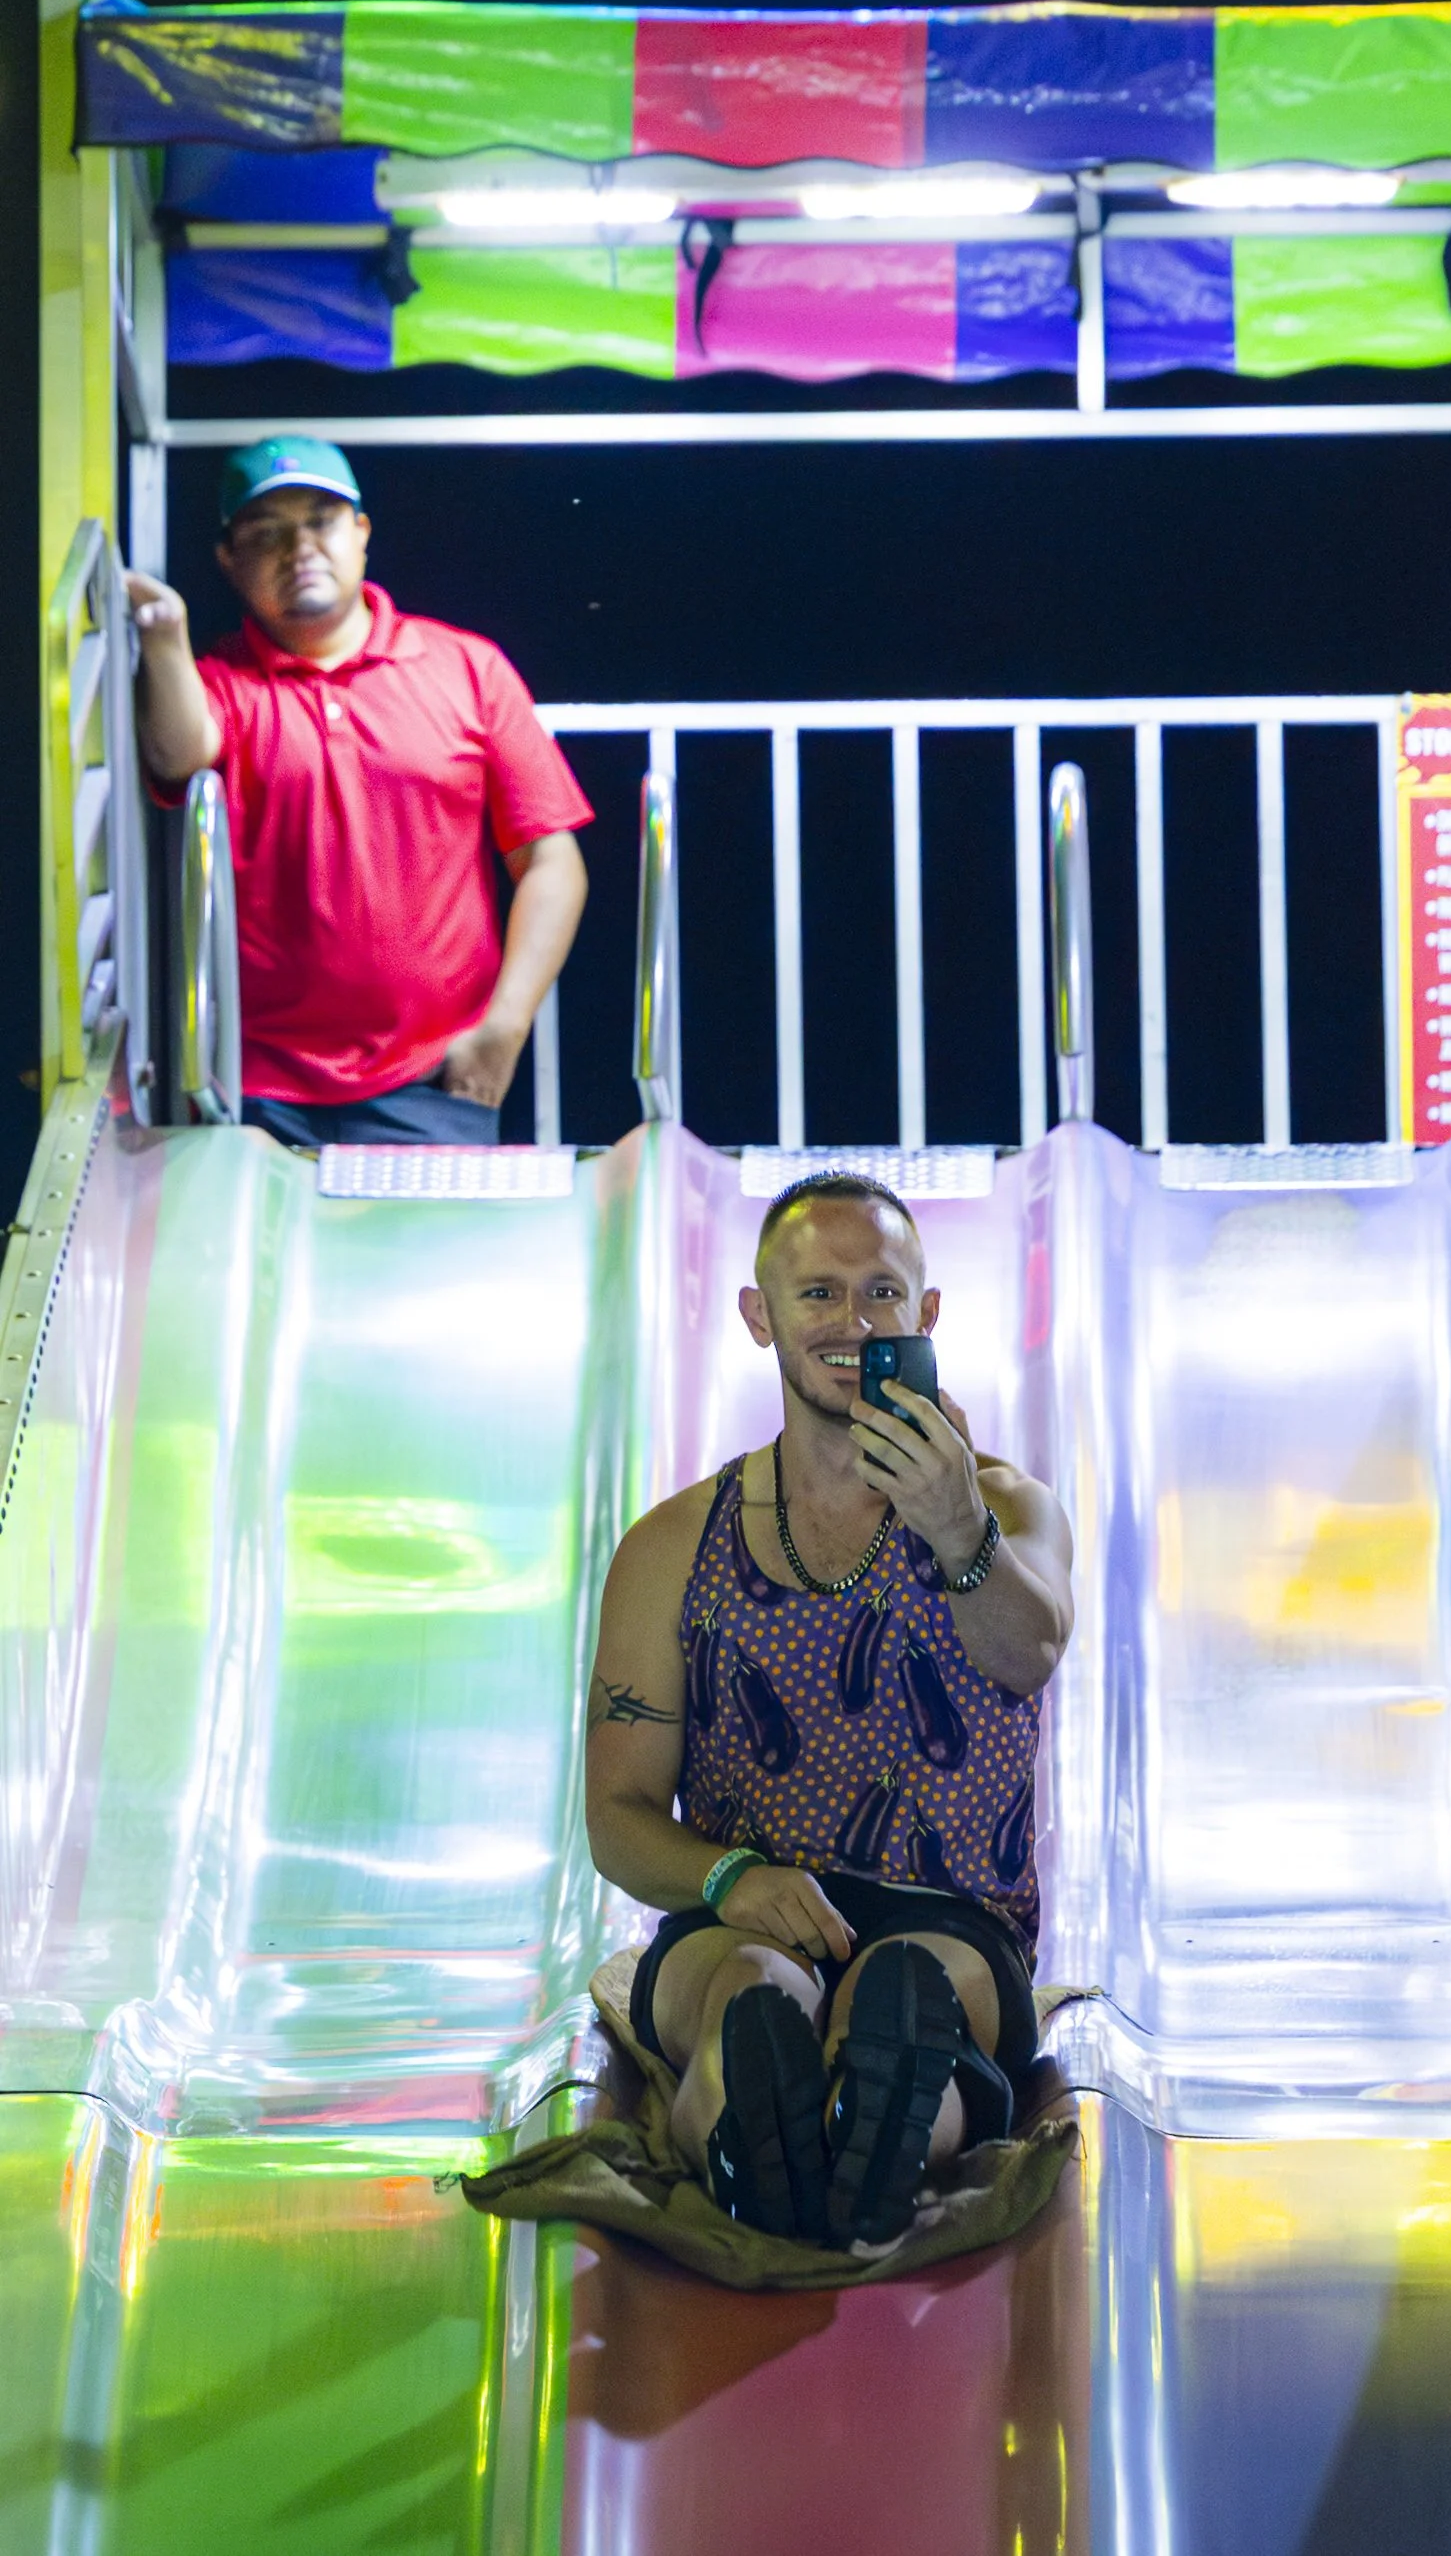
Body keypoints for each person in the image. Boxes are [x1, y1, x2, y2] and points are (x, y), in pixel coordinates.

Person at [585, 1168, 1074, 2247]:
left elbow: (1029, 1650)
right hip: (742, 1909)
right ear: (759, 1316)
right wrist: (732, 1878)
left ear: (926, 1313)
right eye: (816, 1294)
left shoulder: (1004, 1506)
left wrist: (955, 1531)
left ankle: (857, 2140)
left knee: (909, 1992)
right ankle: (774, 2126)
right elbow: (616, 1812)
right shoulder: (673, 1546)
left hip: (949, 1917)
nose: (852, 1322)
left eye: (881, 1293)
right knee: (754, 1989)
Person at [127, 436, 592, 1148]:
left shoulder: (468, 667)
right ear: (229, 559)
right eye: (266, 532)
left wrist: (504, 1028)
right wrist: (165, 638)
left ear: (362, 533)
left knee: (440, 1264)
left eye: (321, 519)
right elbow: (180, 752)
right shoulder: (219, 678)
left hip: (435, 1082)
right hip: (252, 1092)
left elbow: (552, 862)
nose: (299, 546)